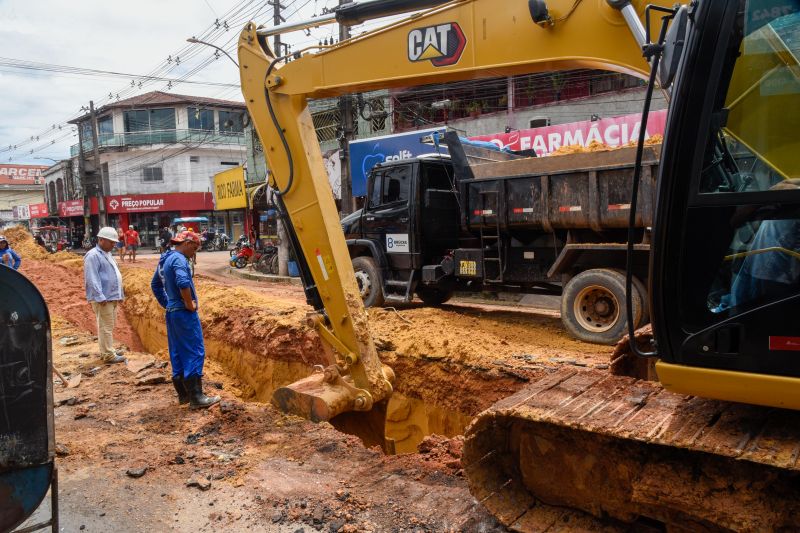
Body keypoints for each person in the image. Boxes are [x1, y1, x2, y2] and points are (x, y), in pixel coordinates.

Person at [150, 230, 220, 409]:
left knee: (177, 352)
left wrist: (169, 304)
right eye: (194, 248)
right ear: (187, 243)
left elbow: (155, 285)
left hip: (172, 313)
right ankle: (197, 397)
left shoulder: (164, 260)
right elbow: (183, 282)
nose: (194, 252)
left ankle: (183, 395)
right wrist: (188, 304)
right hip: (183, 313)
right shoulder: (180, 259)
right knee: (195, 351)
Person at [83, 227, 126, 364]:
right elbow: (92, 278)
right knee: (105, 326)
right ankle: (108, 354)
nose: (114, 245)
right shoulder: (93, 255)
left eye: (114, 242)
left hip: (111, 296)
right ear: (101, 240)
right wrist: (99, 296)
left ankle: (108, 349)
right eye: (111, 242)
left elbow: (114, 274)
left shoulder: (107, 254)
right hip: (104, 298)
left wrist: (120, 294)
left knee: (109, 325)